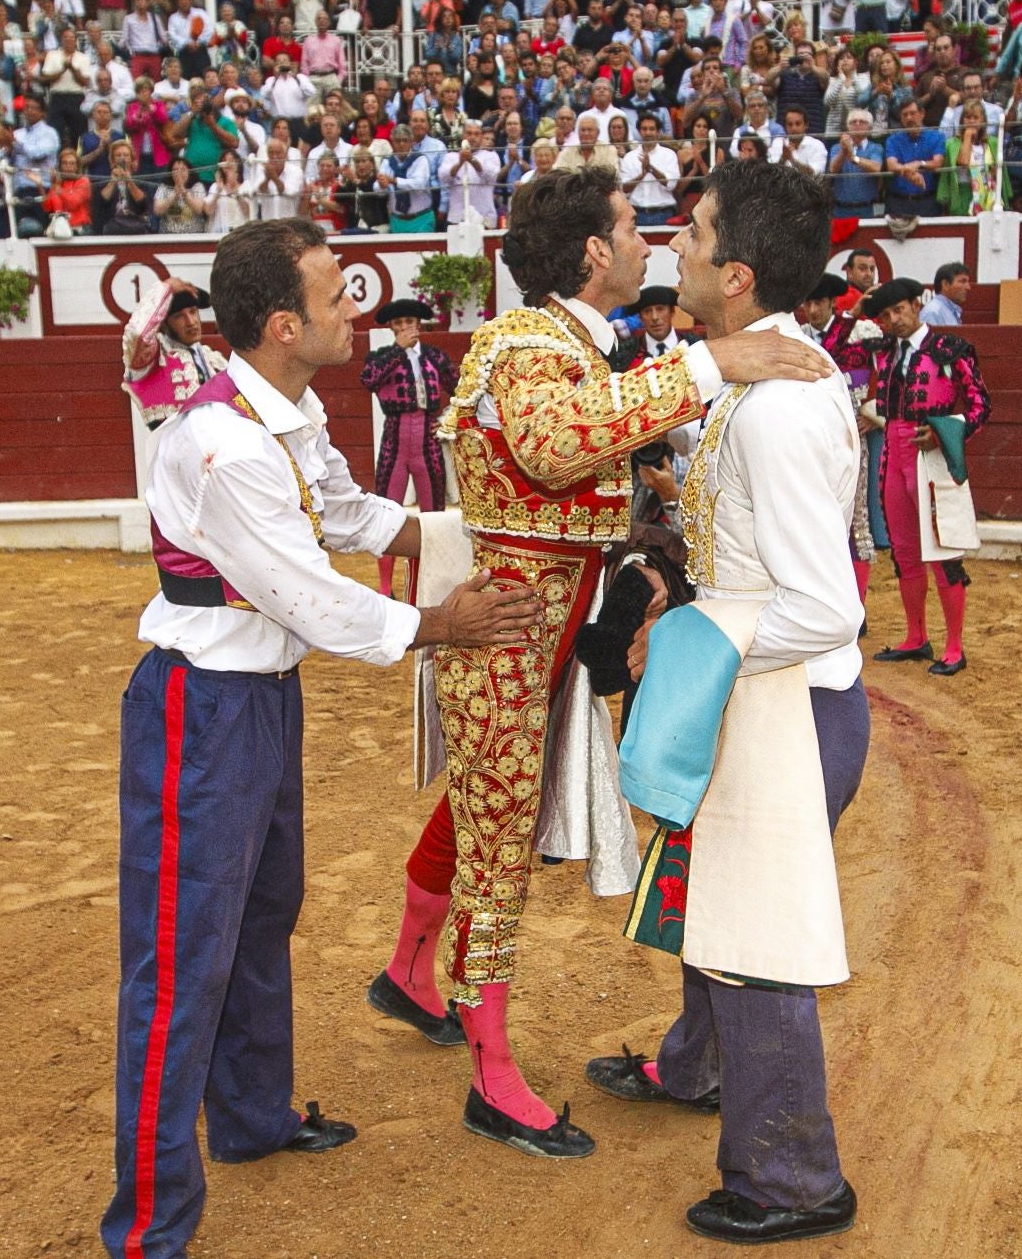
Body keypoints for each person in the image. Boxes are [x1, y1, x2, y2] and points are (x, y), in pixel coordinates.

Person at [368, 165, 836, 1157]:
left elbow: (568, 472)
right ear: (591, 250)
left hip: (553, 624)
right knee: (498, 840)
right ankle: (490, 1071)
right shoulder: (522, 342)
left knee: (486, 806)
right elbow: (548, 446)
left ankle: (410, 971)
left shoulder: (578, 344)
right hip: (503, 630)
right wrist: (711, 369)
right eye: (630, 225)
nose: (648, 240)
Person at [104, 218, 544, 1259]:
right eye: (336, 293)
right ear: (279, 323)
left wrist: (462, 532)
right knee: (177, 964)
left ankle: (251, 1119)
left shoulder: (279, 412)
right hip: (200, 709)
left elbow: (343, 512)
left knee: (260, 917)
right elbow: (304, 595)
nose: (355, 307)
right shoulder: (220, 441)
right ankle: (147, 1231)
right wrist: (445, 622)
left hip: (254, 700)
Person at [585, 154, 868, 1246]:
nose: (675, 248)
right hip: (764, 694)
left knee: (754, 940)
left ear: (737, 274)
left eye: (693, 237)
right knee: (717, 904)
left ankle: (792, 1179)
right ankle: (694, 1067)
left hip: (785, 707)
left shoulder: (777, 410)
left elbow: (822, 609)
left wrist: (687, 635)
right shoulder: (753, 378)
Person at [862, 276, 990, 676]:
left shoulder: (949, 350)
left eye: (899, 310)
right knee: (904, 551)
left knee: (944, 550)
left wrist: (942, 431)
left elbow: (980, 405)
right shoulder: (883, 352)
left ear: (917, 305)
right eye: (885, 315)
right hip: (893, 452)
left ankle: (955, 646)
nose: (893, 319)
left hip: (930, 454)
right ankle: (916, 636)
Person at [361, 298, 459, 595]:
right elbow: (369, 380)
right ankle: (385, 586)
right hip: (395, 436)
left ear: (419, 325)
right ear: (391, 327)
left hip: (427, 437)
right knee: (386, 511)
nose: (405, 327)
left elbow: (461, 387)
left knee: (434, 514)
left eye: (409, 322)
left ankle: (426, 584)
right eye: (398, 323)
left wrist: (448, 418)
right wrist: (397, 351)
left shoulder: (434, 357)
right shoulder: (382, 356)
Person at [120, 278, 228, 429]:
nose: (191, 322)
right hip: (175, 449)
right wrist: (165, 288)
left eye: (193, 312)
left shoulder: (214, 360)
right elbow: (138, 334)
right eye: (179, 316)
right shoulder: (153, 360)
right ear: (164, 324)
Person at [920, 262, 971, 327]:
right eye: (962, 281)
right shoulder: (932, 313)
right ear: (945, 284)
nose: (968, 287)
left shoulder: (943, 310)